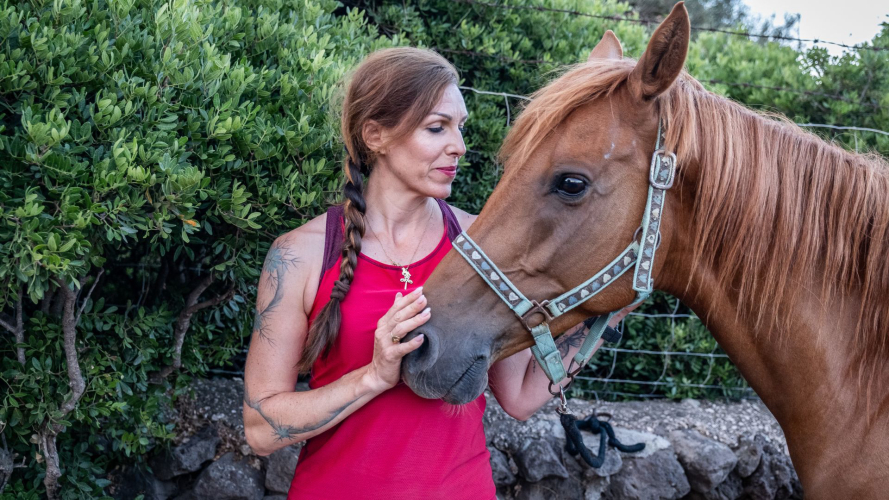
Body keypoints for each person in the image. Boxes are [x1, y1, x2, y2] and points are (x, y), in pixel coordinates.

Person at [242, 47, 624, 499]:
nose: (459, 146)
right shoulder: (300, 255)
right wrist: (373, 376)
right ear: (376, 135)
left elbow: (520, 395)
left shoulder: (481, 244)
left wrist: (612, 308)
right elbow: (261, 430)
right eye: (437, 127)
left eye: (460, 127)